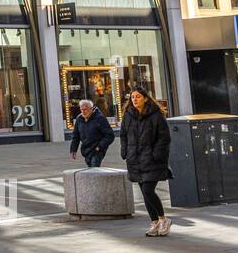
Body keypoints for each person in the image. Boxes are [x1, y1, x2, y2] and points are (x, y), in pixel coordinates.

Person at [119, 86, 173, 237]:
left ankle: (163, 219)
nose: (135, 100)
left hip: (152, 160)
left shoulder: (156, 116)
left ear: (146, 98)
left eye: (138, 97)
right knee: (144, 192)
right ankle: (154, 222)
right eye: (132, 97)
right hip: (135, 159)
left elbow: (164, 138)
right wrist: (124, 151)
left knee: (148, 190)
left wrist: (156, 155)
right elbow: (123, 134)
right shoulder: (128, 115)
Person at [69, 99, 115, 167]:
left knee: (94, 167)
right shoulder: (79, 119)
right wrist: (73, 149)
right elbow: (76, 136)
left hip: (97, 149)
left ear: (91, 109)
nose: (83, 112)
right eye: (81, 109)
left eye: (85, 109)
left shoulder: (100, 118)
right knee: (90, 168)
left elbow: (110, 135)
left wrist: (100, 146)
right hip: (86, 149)